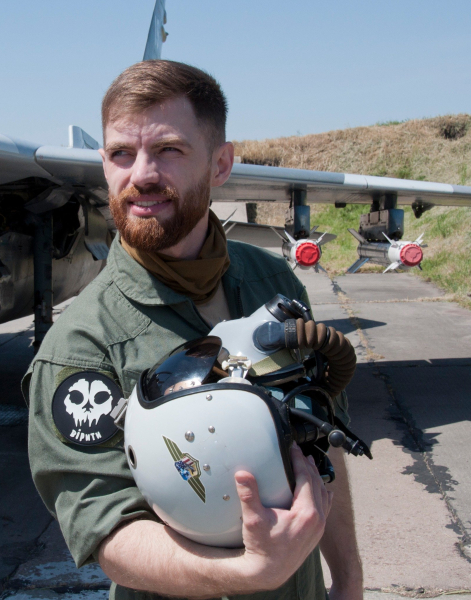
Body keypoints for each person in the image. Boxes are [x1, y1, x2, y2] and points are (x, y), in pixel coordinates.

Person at [24, 60, 363, 600]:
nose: (141, 174)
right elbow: (107, 528)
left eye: (169, 150)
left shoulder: (272, 283)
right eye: (120, 154)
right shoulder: (82, 345)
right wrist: (249, 573)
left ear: (221, 163)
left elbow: (324, 438)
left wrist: (347, 579)